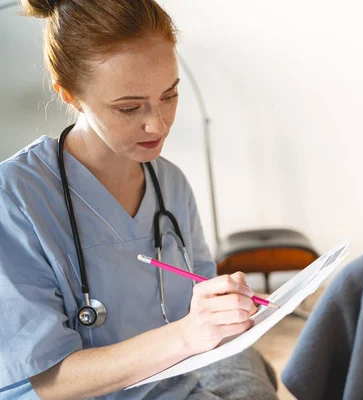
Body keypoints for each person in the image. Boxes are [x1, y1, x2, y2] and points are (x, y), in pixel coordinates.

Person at [0, 0, 277, 399]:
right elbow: (52, 381)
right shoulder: (16, 198)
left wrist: (224, 311)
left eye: (170, 95)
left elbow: (197, 310)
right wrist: (188, 334)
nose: (158, 124)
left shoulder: (170, 183)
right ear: (69, 95)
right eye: (129, 108)